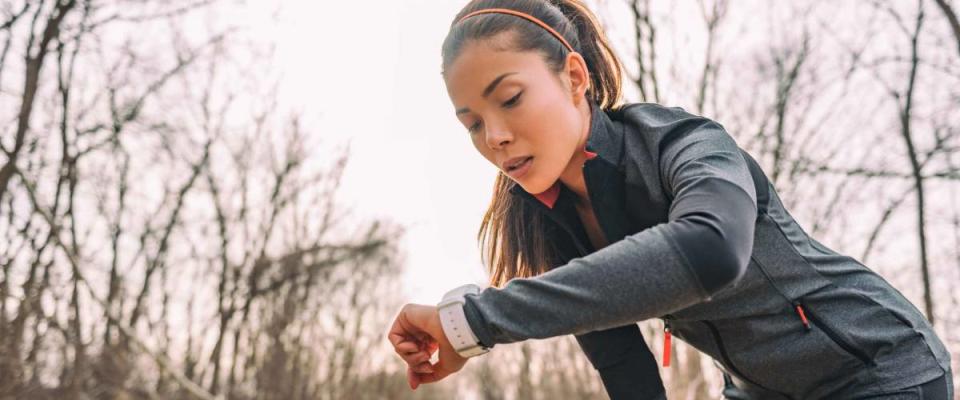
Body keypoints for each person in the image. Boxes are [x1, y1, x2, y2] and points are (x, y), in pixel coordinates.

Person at [386, 1, 955, 399]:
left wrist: (473, 321)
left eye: (510, 99)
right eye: (472, 124)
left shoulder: (683, 144)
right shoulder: (552, 221)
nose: (495, 137)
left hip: (880, 370)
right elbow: (622, 365)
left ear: (575, 78)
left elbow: (710, 251)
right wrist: (463, 331)